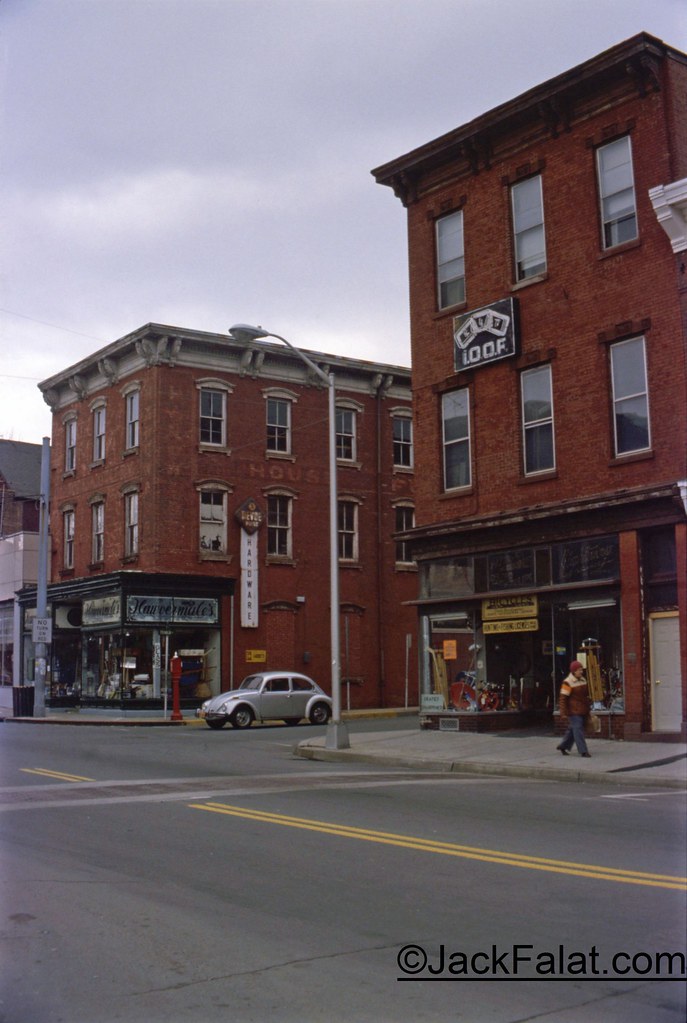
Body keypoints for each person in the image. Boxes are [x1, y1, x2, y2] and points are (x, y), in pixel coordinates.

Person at [557, 660, 592, 757]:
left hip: (583, 709)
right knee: (578, 729)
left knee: (573, 729)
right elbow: (563, 698)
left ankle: (563, 746)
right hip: (573, 711)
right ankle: (583, 751)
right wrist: (563, 712)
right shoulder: (567, 683)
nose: (581, 671)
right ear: (574, 671)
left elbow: (586, 695)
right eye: (579, 670)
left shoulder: (583, 680)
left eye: (581, 669)